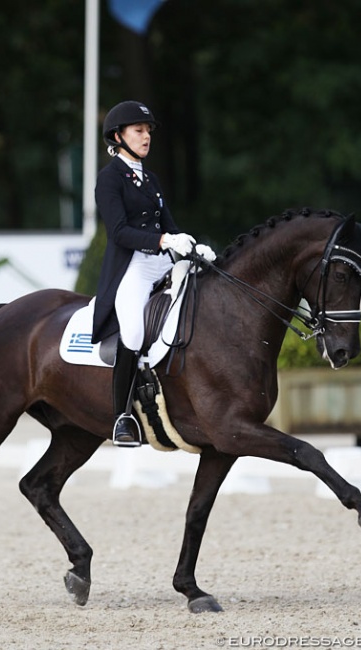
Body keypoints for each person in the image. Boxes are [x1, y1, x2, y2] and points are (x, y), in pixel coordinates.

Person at [91, 100, 215, 447]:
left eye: (148, 131)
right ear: (118, 136)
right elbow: (118, 232)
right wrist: (164, 239)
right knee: (132, 332)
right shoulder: (109, 179)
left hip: (163, 260)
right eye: (138, 131)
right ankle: (122, 418)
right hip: (134, 266)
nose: (146, 137)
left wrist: (189, 245)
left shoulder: (150, 178)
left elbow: (169, 224)